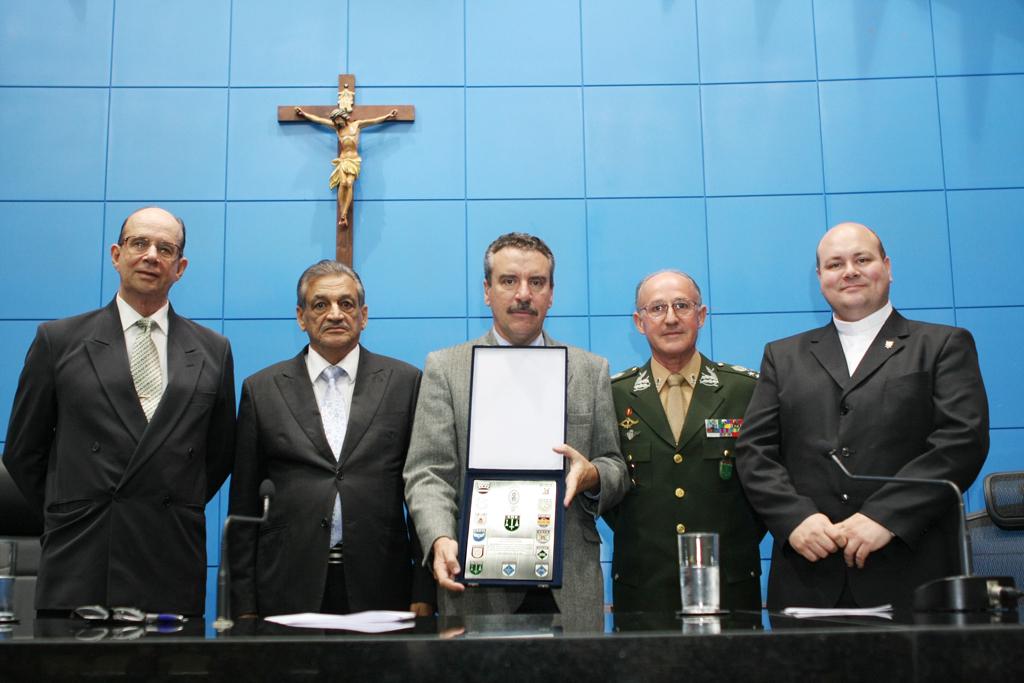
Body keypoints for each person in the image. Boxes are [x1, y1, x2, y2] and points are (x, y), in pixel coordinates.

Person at [736, 222, 989, 610]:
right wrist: (795, 519)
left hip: (912, 573)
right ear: (820, 278)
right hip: (809, 576)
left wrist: (885, 517)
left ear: (887, 267)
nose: (849, 271)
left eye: (862, 259)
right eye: (835, 264)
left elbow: (960, 442)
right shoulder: (782, 356)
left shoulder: (942, 345)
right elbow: (755, 452)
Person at [3, 207, 235, 616]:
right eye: (139, 243)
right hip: (82, 553)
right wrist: (75, 505)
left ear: (179, 268)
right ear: (116, 254)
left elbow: (216, 454)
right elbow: (24, 451)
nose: (151, 255)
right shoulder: (59, 341)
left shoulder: (213, 350)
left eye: (165, 248)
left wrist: (166, 496)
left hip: (170, 554)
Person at [403, 232, 628, 622]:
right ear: (487, 291)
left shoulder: (590, 370)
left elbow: (615, 466)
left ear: (551, 294)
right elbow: (428, 473)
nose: (523, 294)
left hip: (569, 585)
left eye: (536, 283)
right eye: (509, 281)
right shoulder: (445, 368)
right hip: (474, 586)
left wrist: (593, 474)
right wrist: (440, 538)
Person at [228, 260, 434, 617]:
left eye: (347, 303)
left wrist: (424, 589)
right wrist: (243, 605)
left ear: (364, 315)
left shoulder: (406, 382)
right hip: (287, 583)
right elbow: (243, 507)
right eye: (320, 304)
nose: (335, 314)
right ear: (301, 317)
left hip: (383, 583)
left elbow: (420, 492)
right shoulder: (261, 390)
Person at [605, 270, 764, 613]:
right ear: (639, 322)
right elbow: (609, 492)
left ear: (702, 315)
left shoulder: (746, 390)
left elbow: (765, 485)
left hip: (729, 587)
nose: (671, 318)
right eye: (657, 308)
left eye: (682, 305)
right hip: (643, 588)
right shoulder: (613, 396)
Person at [294, 84, 398, 228]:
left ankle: (344, 213)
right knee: (343, 184)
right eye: (335, 122)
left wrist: (387, 116)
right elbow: (318, 120)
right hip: (343, 160)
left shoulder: (357, 125)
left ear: (343, 117)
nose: (337, 123)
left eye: (338, 121)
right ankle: (343, 215)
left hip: (354, 161)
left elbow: (374, 121)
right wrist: (304, 114)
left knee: (349, 184)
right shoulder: (337, 129)